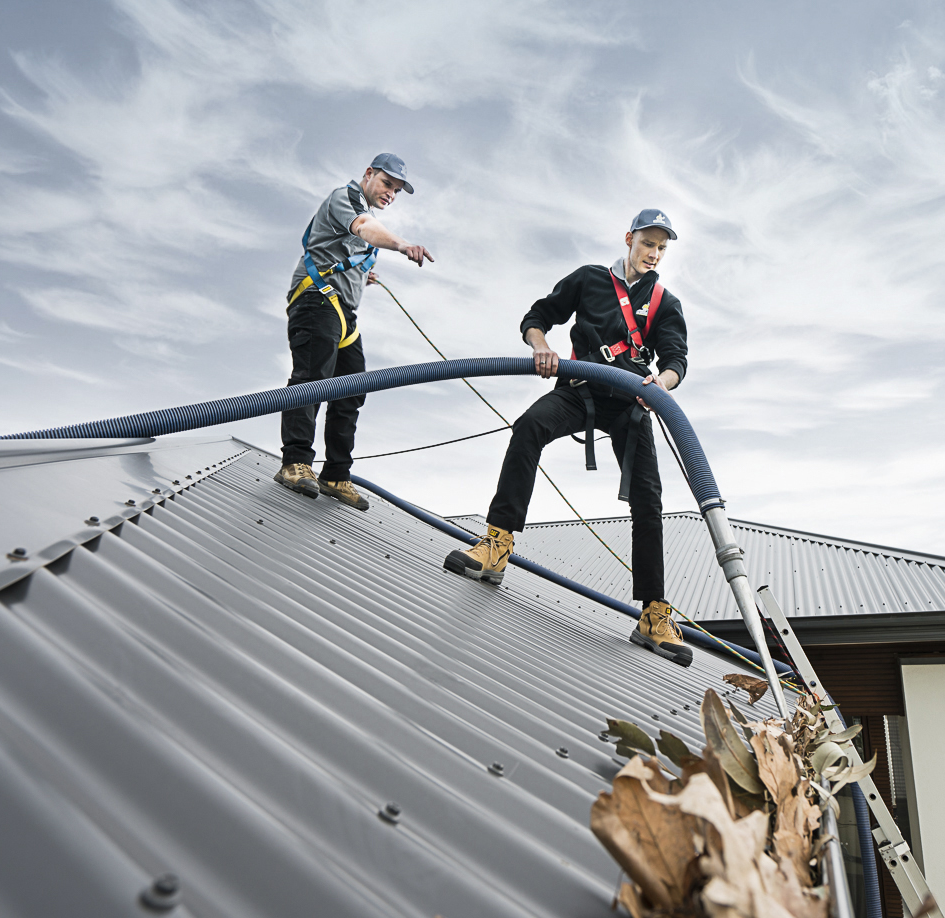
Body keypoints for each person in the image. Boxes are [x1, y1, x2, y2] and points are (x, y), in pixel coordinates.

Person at [444, 209, 692, 666]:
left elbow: (676, 359)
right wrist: (541, 346)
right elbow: (538, 316)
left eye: (661, 247)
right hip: (578, 390)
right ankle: (496, 545)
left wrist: (664, 384)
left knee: (648, 499)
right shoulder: (589, 280)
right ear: (629, 239)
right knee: (528, 428)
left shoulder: (664, 302)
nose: (653, 254)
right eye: (647, 244)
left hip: (630, 404)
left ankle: (653, 613)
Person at [275, 153, 433, 509]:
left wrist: (364, 276)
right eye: (386, 183)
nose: (390, 193)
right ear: (368, 174)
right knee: (313, 379)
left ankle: (335, 475)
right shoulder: (346, 199)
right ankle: (295, 463)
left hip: (344, 312)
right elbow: (364, 229)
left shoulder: (365, 211)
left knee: (352, 390)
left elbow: (346, 247)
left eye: (396, 190)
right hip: (316, 300)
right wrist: (402, 245)